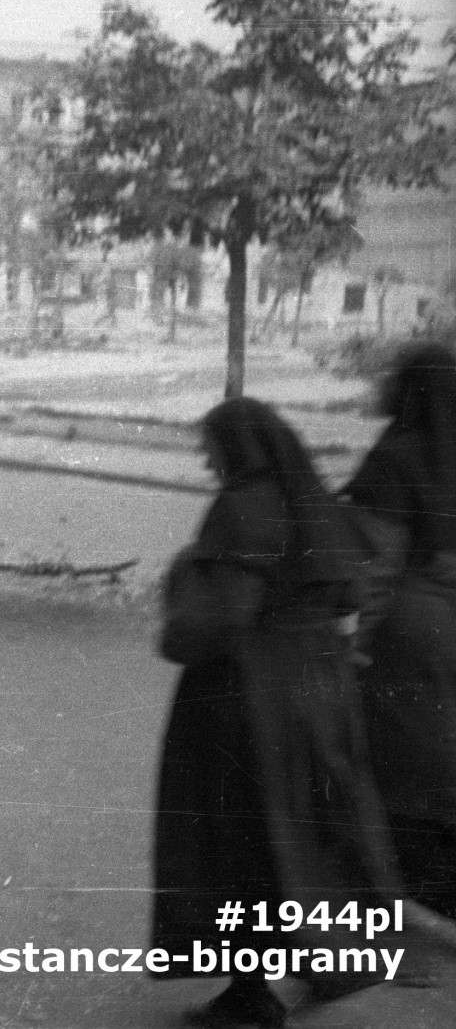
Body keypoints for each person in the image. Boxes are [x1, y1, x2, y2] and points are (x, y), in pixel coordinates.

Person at [151, 397, 399, 1029]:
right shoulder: (314, 500)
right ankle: (336, 960)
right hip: (321, 685)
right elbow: (354, 589)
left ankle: (250, 994)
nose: (206, 460)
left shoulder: (241, 508)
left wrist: (184, 579)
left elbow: (224, 615)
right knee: (313, 831)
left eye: (210, 447)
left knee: (243, 842)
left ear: (235, 446)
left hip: (254, 694)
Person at [341, 341, 456, 918]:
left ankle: (406, 904)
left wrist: (352, 647)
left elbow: (375, 568)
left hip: (412, 634)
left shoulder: (394, 457)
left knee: (401, 764)